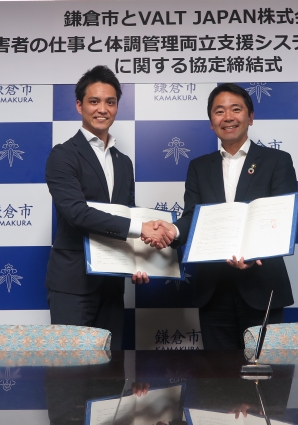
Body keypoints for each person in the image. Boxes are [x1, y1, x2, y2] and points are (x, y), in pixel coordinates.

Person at [149, 83, 298, 350]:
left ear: (250, 117)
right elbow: (192, 216)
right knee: (217, 372)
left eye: (236, 109)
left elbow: (281, 220)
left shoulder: (277, 161)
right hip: (213, 289)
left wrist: (252, 255)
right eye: (219, 111)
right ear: (211, 122)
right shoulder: (199, 167)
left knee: (265, 369)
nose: (228, 117)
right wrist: (173, 230)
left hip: (261, 285)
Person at [45, 65, 174, 350]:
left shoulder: (123, 162)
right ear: (79, 105)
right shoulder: (62, 155)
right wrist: (141, 229)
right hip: (73, 285)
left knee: (110, 370)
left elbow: (127, 213)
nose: (102, 109)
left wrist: (138, 261)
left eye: (110, 102)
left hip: (113, 282)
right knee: (71, 369)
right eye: (94, 101)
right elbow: (77, 213)